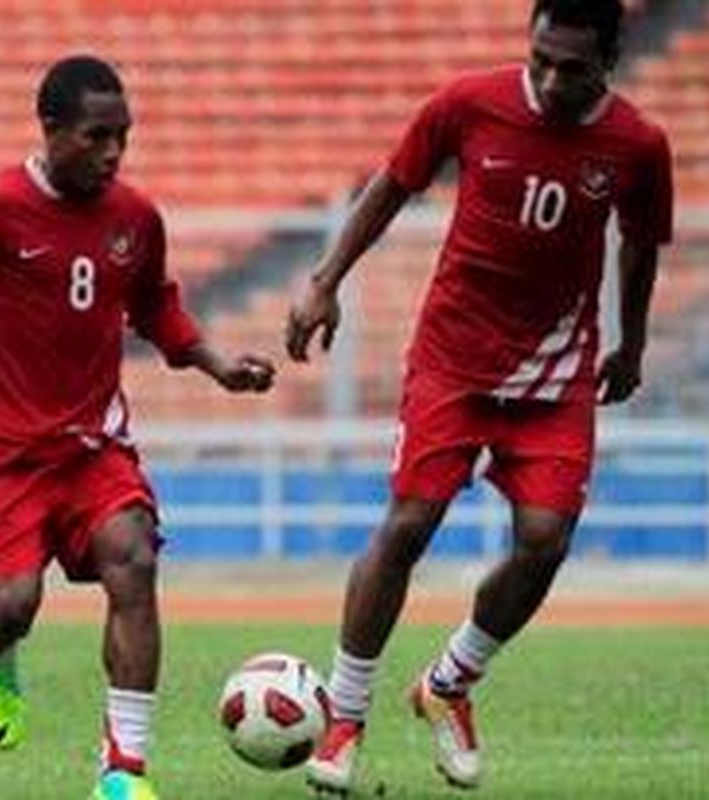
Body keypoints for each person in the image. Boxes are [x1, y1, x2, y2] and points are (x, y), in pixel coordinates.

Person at [0, 56, 275, 800]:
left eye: (123, 136)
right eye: (96, 136)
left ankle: (123, 772)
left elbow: (156, 307)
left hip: (94, 448)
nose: (113, 153)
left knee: (134, 559)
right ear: (50, 130)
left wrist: (218, 366)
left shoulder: (136, 218)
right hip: (3, 458)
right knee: (10, 607)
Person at [285, 0, 673, 792]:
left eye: (572, 68)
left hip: (555, 370)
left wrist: (632, 343)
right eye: (540, 60)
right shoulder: (468, 104)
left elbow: (639, 247)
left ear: (610, 61)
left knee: (545, 540)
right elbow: (391, 186)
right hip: (453, 360)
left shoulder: (638, 145)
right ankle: (345, 717)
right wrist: (325, 281)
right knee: (409, 524)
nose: (551, 80)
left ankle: (449, 683)